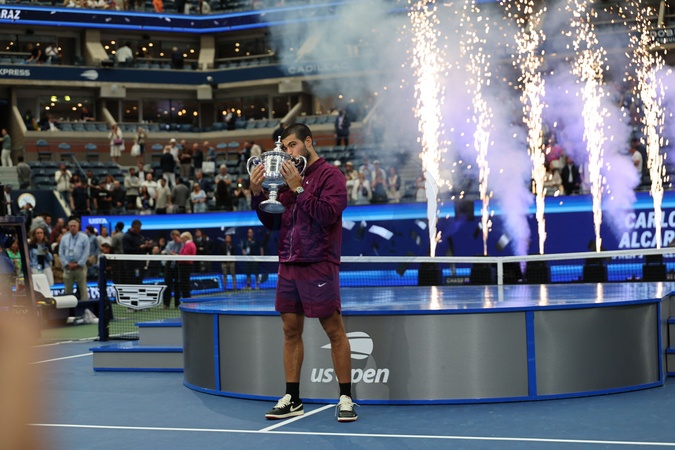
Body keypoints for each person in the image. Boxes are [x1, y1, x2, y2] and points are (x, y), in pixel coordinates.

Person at [249, 123, 356, 422]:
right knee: (290, 331)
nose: (288, 152)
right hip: (288, 262)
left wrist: (299, 187)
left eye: (293, 145)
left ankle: (346, 397)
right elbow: (273, 224)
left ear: (308, 142)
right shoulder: (283, 180)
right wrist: (257, 194)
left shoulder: (331, 176)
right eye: (284, 147)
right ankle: (292, 398)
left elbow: (327, 215)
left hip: (319, 261)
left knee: (334, 330)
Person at [59, 219, 90, 302]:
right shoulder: (64, 238)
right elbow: (61, 252)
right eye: (71, 226)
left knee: (83, 289)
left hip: (80, 267)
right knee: (67, 289)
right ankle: (68, 306)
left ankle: (85, 305)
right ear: (68, 227)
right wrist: (66, 263)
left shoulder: (84, 237)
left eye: (74, 226)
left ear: (78, 227)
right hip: (68, 267)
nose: (73, 228)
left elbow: (86, 252)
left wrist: (79, 263)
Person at [122, 219, 154, 284]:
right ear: (133, 227)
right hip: (131, 265)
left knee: (139, 281)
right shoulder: (126, 237)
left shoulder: (140, 236)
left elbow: (145, 249)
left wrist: (147, 246)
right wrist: (139, 248)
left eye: (140, 228)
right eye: (138, 228)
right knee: (132, 281)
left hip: (140, 264)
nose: (139, 230)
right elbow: (127, 250)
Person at [162, 230, 183, 309]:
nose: (175, 239)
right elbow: (167, 250)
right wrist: (173, 254)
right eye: (173, 237)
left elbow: (182, 253)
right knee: (167, 286)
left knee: (177, 286)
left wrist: (176, 254)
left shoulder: (182, 244)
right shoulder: (170, 243)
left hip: (178, 267)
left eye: (176, 237)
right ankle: (166, 304)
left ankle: (177, 304)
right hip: (169, 267)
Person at [178, 231, 196, 301]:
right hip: (185, 265)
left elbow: (185, 255)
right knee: (185, 282)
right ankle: (186, 297)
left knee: (185, 282)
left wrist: (176, 256)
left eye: (182, 238)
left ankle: (186, 298)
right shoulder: (188, 244)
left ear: (186, 238)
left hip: (185, 266)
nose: (181, 240)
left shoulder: (189, 244)